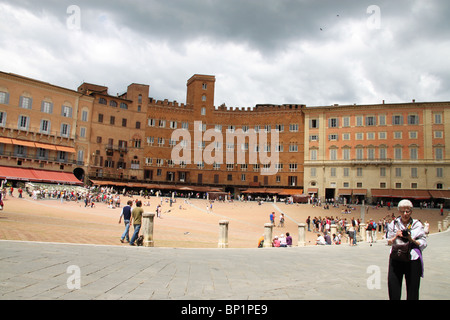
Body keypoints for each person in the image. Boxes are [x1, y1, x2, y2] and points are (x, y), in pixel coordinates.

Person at [386, 199, 427, 300]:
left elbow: (423, 242)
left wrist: (410, 238)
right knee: (393, 287)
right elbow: (388, 241)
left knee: (413, 290)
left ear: (411, 211)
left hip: (412, 258)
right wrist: (396, 236)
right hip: (396, 257)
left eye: (407, 211)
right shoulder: (393, 224)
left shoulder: (417, 224)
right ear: (399, 211)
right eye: (402, 211)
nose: (405, 214)